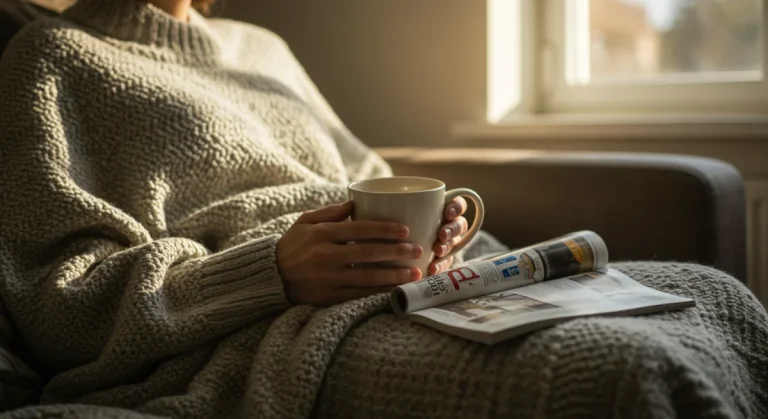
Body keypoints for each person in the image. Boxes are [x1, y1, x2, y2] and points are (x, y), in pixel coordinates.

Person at [0, 0, 766, 418]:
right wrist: (271, 272)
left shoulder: (259, 47)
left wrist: (450, 227)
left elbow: (366, 175)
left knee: (720, 299)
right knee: (619, 372)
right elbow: (58, 301)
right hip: (263, 334)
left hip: (418, 288)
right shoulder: (51, 59)